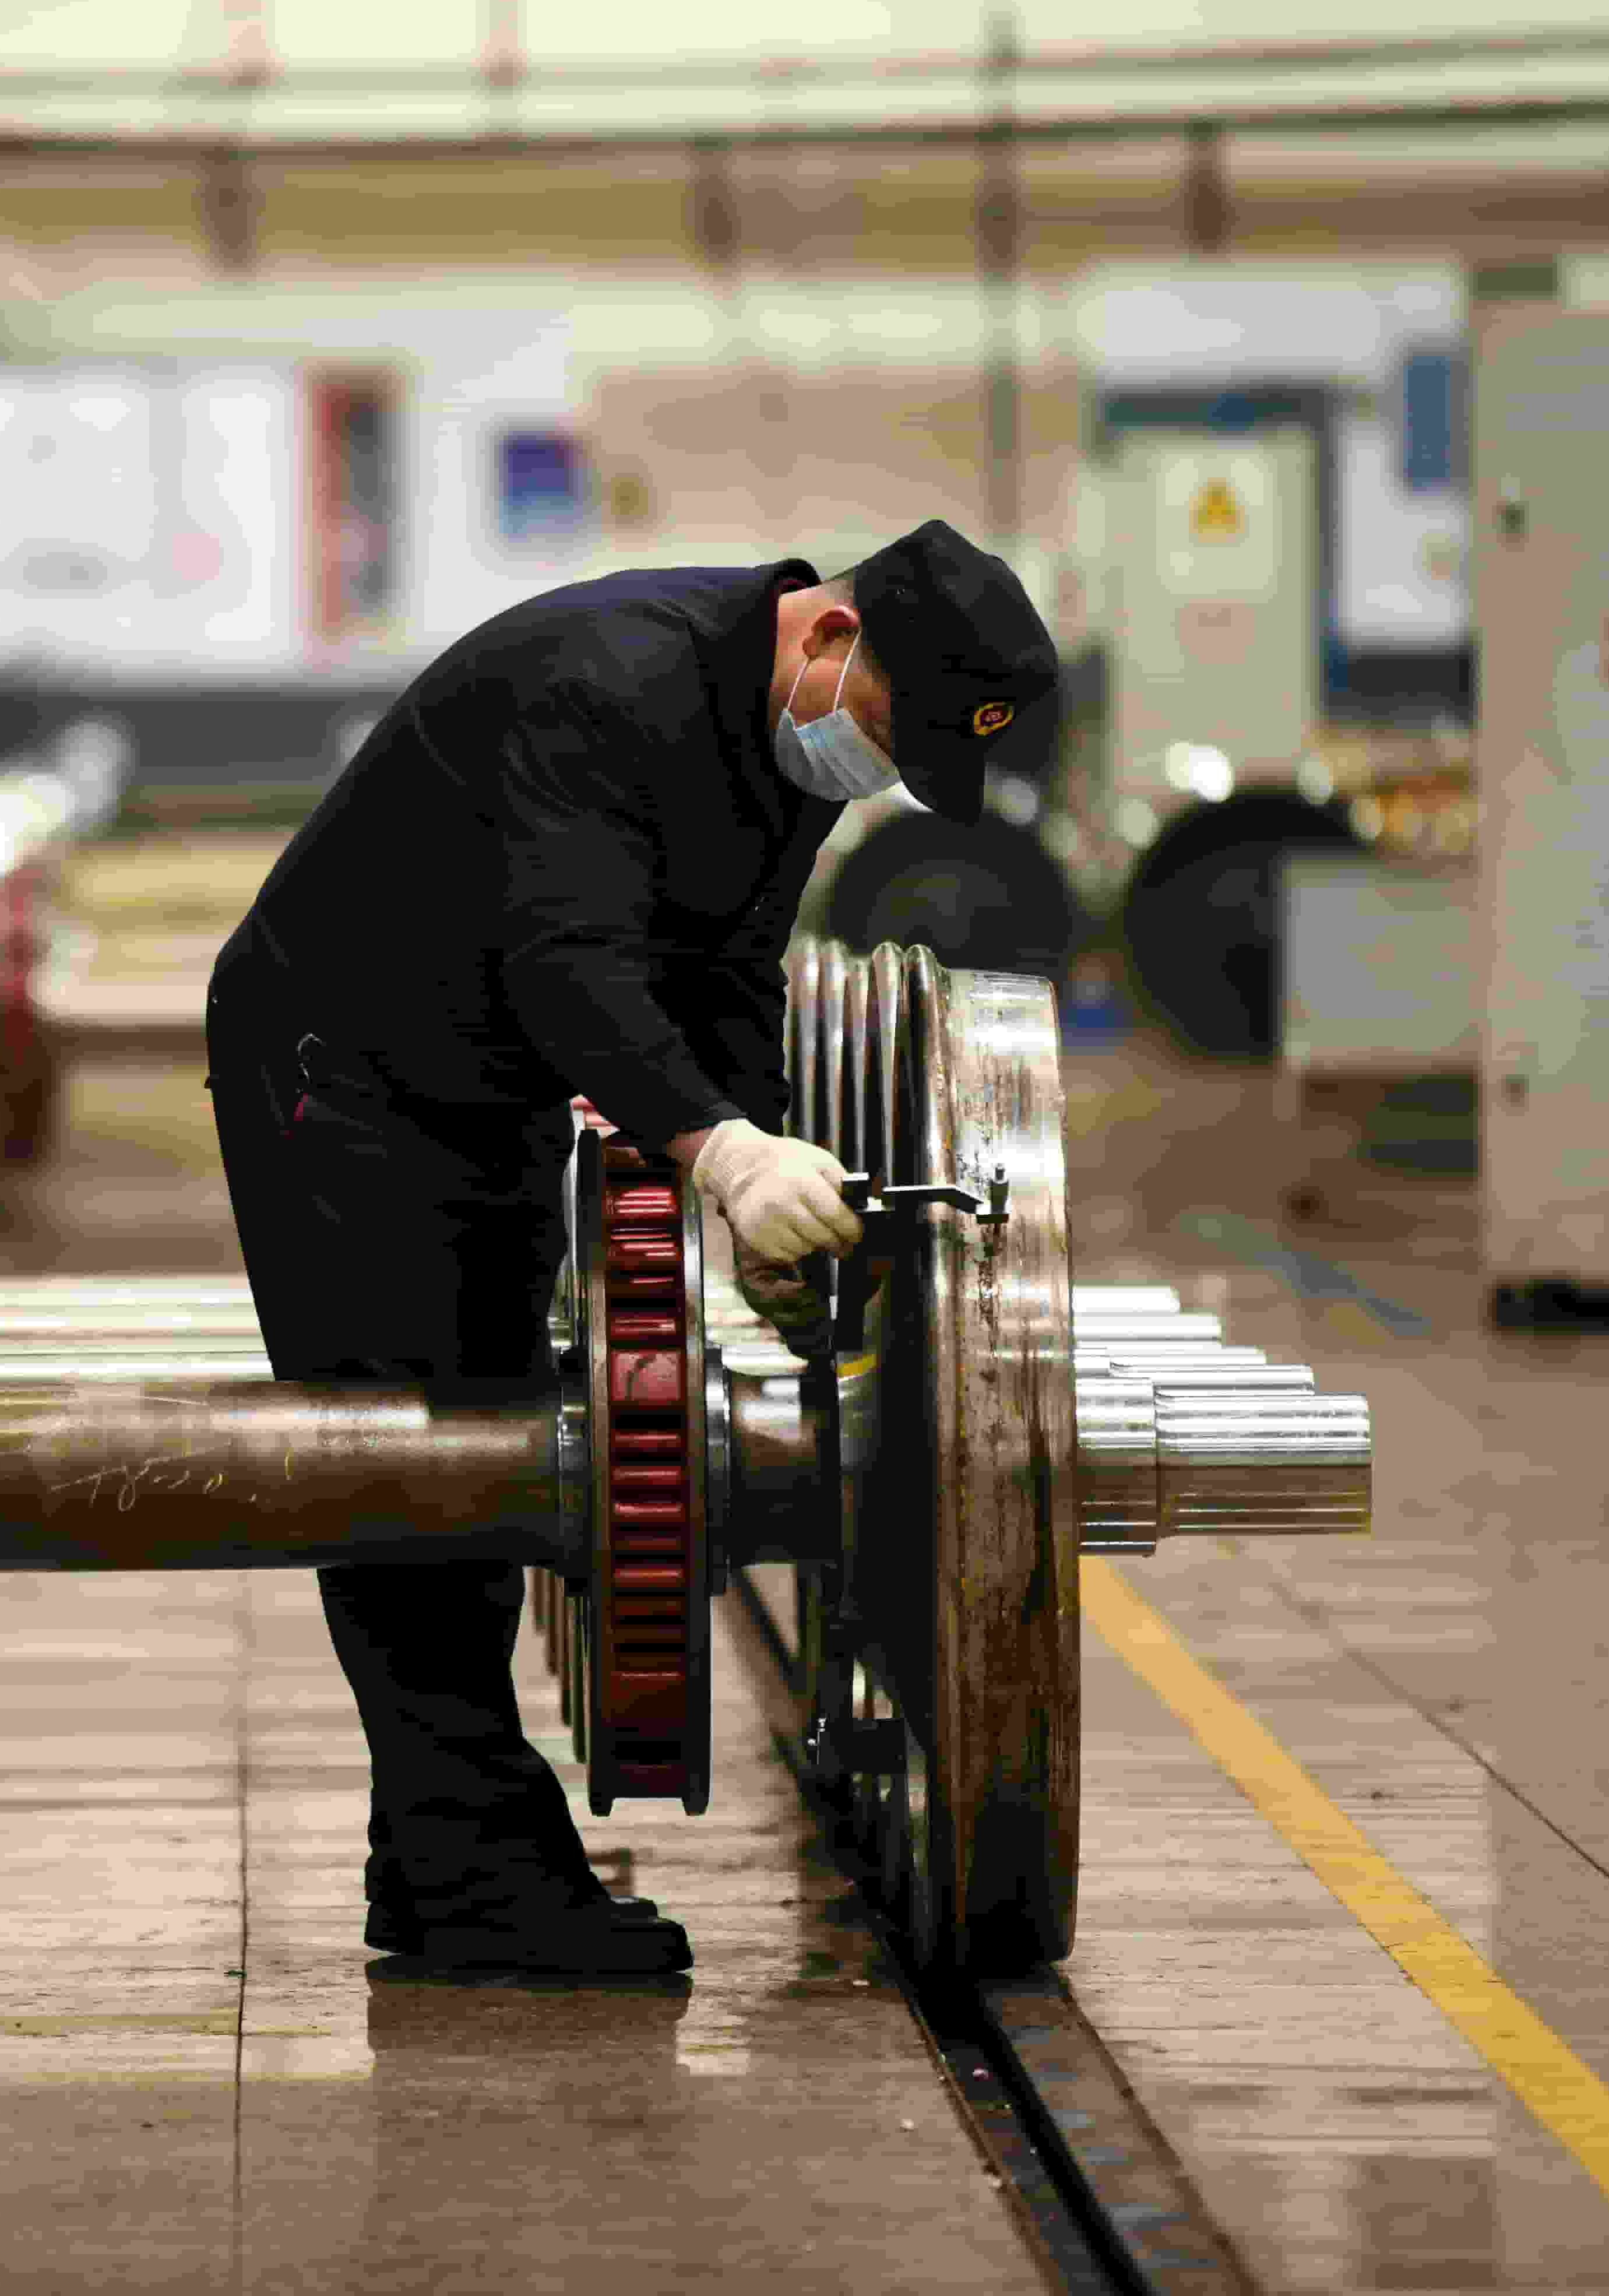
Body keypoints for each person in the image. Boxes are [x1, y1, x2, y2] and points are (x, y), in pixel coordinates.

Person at [206, 518, 1059, 1974]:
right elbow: (571, 960)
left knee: (467, 1440)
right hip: (329, 1064)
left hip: (477, 1077)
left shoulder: (778, 745)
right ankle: (476, 1873)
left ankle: (435, 1861)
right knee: (410, 1458)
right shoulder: (605, 681)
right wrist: (715, 1152)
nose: (870, 774)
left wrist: (780, 1188)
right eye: (885, 733)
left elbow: (721, 972)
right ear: (828, 638)